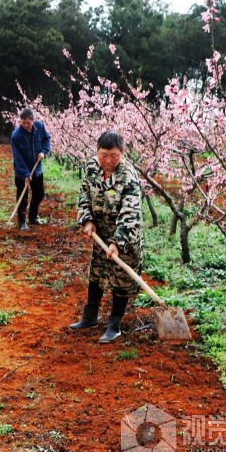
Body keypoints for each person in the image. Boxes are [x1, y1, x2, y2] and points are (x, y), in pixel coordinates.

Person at [70, 130, 143, 343]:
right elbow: (84, 194)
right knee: (97, 273)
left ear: (122, 153)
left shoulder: (128, 176)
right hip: (101, 233)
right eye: (103, 155)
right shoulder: (92, 167)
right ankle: (90, 316)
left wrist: (117, 243)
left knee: (121, 278)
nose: (108, 161)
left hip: (125, 236)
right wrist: (87, 219)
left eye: (114, 155)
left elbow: (130, 214)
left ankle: (114, 324)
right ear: (97, 151)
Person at [10, 107, 52, 231]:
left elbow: (47, 139)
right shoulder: (16, 136)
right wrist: (26, 174)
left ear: (33, 120)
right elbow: (18, 157)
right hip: (22, 171)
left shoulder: (39, 127)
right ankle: (22, 222)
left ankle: (32, 217)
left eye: (28, 122)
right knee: (22, 196)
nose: (25, 125)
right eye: (23, 123)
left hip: (37, 168)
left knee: (39, 193)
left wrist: (44, 152)